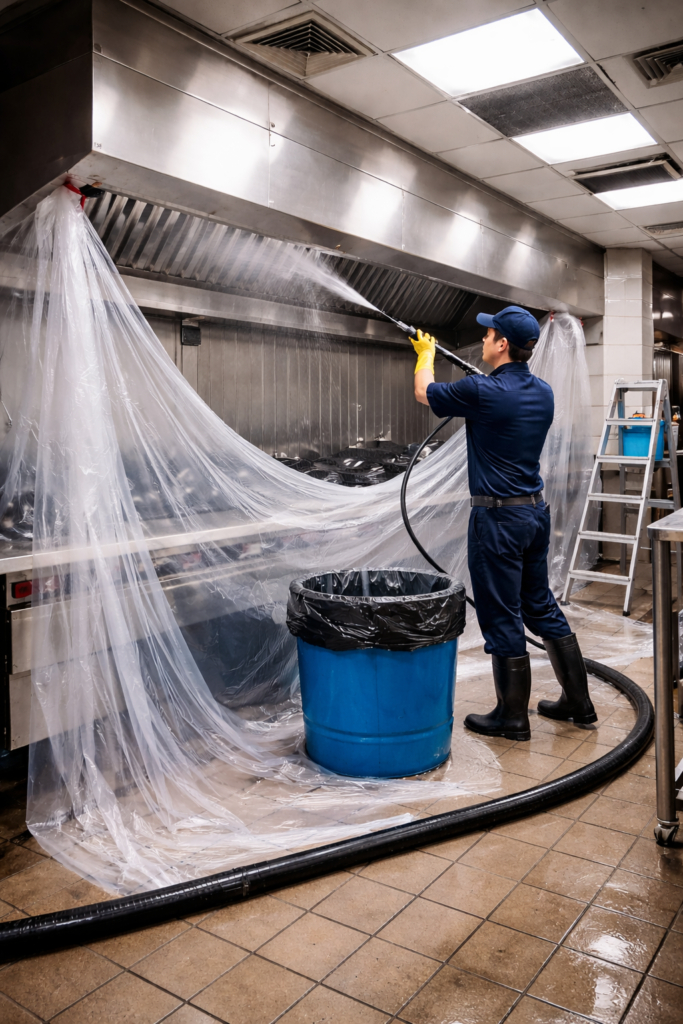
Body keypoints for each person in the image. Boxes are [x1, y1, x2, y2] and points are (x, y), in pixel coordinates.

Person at [412, 306, 596, 740]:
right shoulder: (543, 392)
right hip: (534, 513)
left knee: (502, 614)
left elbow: (425, 393)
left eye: (488, 334)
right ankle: (578, 703)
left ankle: (511, 717)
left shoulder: (482, 390)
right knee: (539, 604)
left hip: (498, 518)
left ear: (502, 345)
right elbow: (497, 397)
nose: (483, 340)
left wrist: (425, 354)